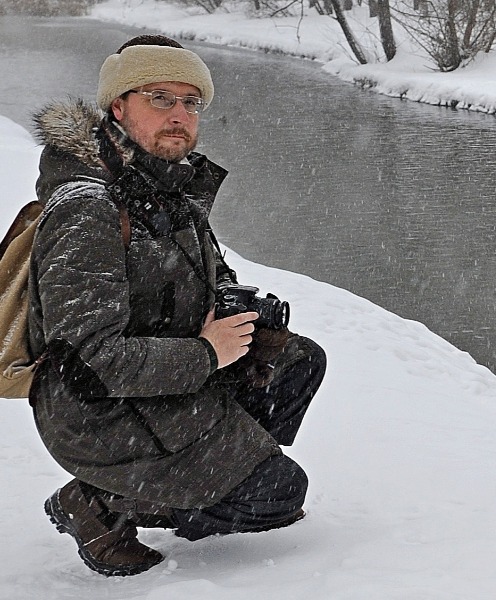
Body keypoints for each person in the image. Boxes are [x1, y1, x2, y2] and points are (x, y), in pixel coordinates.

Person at [28, 34, 327, 577]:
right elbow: (89, 364)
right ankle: (98, 503)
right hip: (101, 413)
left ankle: (220, 459)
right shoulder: (88, 209)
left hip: (165, 380)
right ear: (118, 107)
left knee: (297, 361)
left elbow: (208, 275)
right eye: (159, 98)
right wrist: (207, 355)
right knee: (278, 494)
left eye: (191, 102)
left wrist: (241, 313)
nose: (179, 115)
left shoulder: (166, 186)